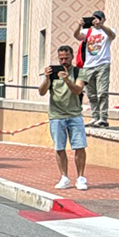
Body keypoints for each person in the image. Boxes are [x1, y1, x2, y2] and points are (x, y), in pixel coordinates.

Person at [39, 44, 88, 189]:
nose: (63, 61)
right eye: (61, 59)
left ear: (72, 57)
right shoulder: (53, 75)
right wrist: (47, 79)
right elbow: (41, 92)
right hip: (56, 115)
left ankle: (80, 177)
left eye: (66, 58)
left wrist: (67, 80)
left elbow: (78, 90)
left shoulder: (79, 72)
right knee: (59, 147)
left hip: (74, 115)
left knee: (79, 146)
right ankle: (64, 177)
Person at [73, 9, 115, 129]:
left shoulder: (107, 31)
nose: (96, 20)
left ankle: (103, 118)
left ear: (103, 19)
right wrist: (79, 25)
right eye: (94, 17)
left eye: (99, 17)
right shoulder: (88, 31)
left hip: (103, 64)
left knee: (102, 92)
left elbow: (112, 36)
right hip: (88, 65)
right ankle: (95, 117)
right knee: (91, 94)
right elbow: (77, 36)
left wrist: (101, 26)